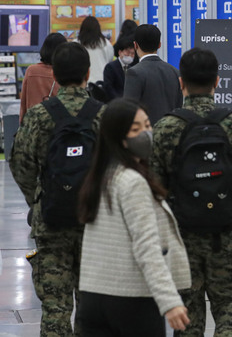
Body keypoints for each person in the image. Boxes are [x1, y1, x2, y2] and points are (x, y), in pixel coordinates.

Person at [150, 47, 232, 336]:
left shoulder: (166, 127)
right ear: (217, 81)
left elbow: (151, 185)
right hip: (226, 236)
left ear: (181, 82)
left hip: (182, 240)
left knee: (187, 317)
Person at [9, 42, 105, 336]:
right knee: (93, 309)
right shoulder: (104, 115)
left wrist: (39, 198)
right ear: (88, 73)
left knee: (55, 309)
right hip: (96, 223)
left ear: (56, 77)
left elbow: (20, 164)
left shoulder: (40, 116)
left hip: (51, 221)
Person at [77, 99, 190, 336]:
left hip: (92, 297)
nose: (146, 134)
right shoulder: (132, 182)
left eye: (147, 125)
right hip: (131, 301)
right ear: (119, 137)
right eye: (136, 129)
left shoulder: (101, 177)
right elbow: (147, 246)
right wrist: (169, 300)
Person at [123, 24, 183, 125]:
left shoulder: (134, 72)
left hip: (146, 134)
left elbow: (128, 111)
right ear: (159, 44)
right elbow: (178, 107)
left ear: (135, 45)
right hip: (171, 134)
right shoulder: (175, 72)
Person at [19, 32, 67, 122]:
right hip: (57, 126)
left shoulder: (31, 71)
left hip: (34, 124)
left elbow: (23, 103)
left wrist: (22, 126)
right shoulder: (64, 72)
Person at [77, 16, 113, 84]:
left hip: (82, 82)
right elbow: (109, 60)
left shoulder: (76, 43)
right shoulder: (106, 43)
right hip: (102, 81)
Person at [103, 35, 135, 100]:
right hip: (115, 103)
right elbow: (108, 88)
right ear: (120, 52)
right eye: (127, 52)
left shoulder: (132, 69)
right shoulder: (110, 67)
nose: (130, 55)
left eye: (132, 53)